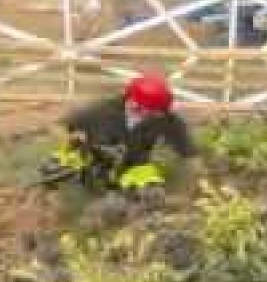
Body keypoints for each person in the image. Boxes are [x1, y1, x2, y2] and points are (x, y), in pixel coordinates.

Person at [45, 73, 195, 194]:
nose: (156, 115)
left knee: (150, 190)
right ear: (134, 102)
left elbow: (189, 154)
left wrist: (195, 179)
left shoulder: (168, 121)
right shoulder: (101, 110)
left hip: (133, 169)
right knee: (59, 166)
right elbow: (57, 126)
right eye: (153, 111)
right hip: (91, 162)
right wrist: (73, 139)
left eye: (158, 112)